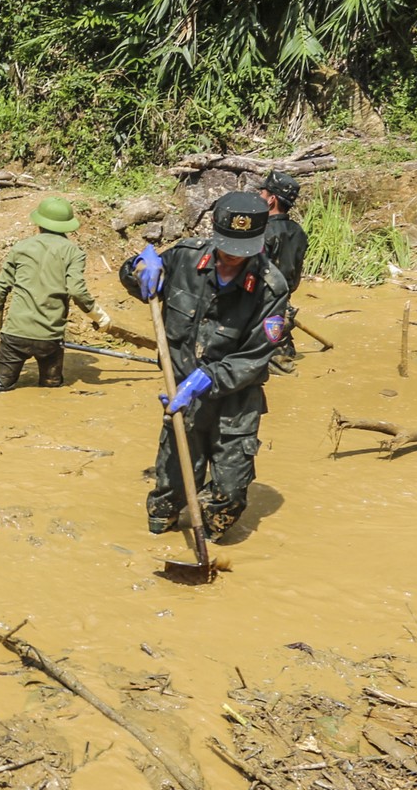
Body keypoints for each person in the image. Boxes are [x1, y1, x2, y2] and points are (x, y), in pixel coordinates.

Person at [119, 190, 290, 538]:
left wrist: (206, 378)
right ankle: (160, 539)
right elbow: (137, 281)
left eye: (240, 253)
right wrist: (138, 264)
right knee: (168, 495)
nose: (231, 260)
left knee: (228, 498)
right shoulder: (184, 258)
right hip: (182, 394)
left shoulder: (271, 288)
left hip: (235, 403)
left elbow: (254, 358)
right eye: (226, 250)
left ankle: (209, 539)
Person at [0, 198, 111, 390]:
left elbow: (1, 287)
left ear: (39, 223)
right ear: (67, 226)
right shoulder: (74, 252)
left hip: (16, 334)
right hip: (51, 338)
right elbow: (76, 290)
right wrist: (100, 317)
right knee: (51, 388)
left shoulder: (20, 248)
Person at [256, 171, 308, 372]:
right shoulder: (298, 232)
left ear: (271, 200)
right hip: (284, 301)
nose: (259, 198)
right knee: (281, 350)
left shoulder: (262, 232)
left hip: (263, 304)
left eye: (262, 194)